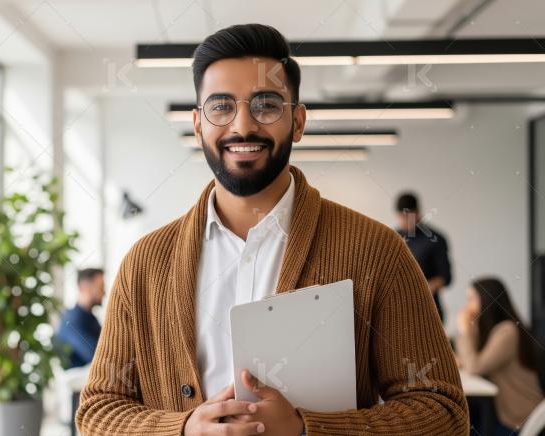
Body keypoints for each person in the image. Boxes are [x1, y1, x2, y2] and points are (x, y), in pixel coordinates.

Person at [76, 24, 468, 435]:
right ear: (197, 125)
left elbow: (443, 413)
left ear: (297, 122)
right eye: (221, 107)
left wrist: (306, 428)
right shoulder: (146, 262)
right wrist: (184, 428)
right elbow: (98, 412)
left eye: (266, 106)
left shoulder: (375, 250)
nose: (242, 126)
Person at [457, 277, 544, 435]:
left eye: (471, 299)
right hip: (504, 414)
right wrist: (471, 329)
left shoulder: (507, 331)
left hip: (521, 417)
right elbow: (469, 360)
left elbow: (474, 367)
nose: (467, 306)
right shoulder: (492, 330)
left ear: (486, 300)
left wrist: (464, 330)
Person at [395, 192, 452, 322]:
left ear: (418, 212)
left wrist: (424, 288)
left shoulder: (436, 239)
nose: (405, 222)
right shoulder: (394, 238)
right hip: (399, 310)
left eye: (408, 217)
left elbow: (446, 277)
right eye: (401, 218)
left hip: (429, 310)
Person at [57, 268, 105, 369]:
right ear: (84, 287)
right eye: (101, 287)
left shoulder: (90, 318)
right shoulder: (72, 321)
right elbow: (98, 357)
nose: (104, 293)